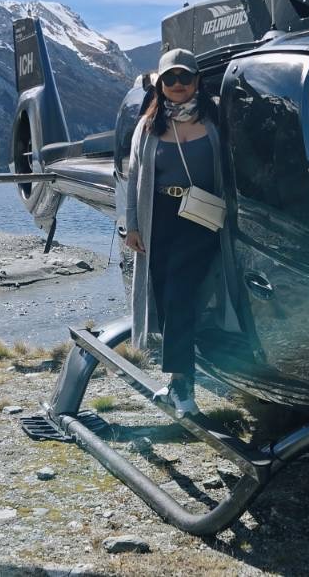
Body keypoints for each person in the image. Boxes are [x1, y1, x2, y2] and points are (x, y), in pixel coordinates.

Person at [122, 48, 225, 417]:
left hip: (203, 218)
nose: (178, 85)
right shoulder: (148, 126)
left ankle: (183, 388)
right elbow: (133, 177)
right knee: (166, 301)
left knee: (181, 295)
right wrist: (131, 225)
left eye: (185, 77)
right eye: (170, 78)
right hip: (160, 216)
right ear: (160, 84)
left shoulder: (216, 118)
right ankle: (180, 379)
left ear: (197, 80)